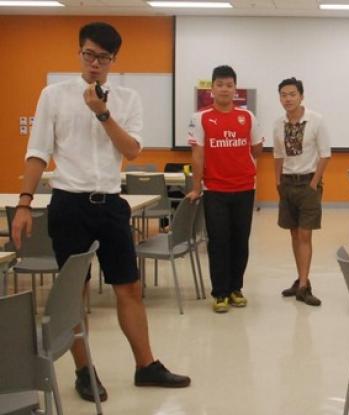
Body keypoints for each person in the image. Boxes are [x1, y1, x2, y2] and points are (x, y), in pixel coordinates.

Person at [12, 21, 190, 403]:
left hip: (110, 203)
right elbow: (38, 152)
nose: (95, 63)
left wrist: (102, 113)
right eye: (89, 54)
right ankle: (83, 371)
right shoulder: (53, 95)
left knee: (129, 286)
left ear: (113, 60)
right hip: (69, 203)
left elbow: (132, 151)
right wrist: (25, 203)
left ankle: (147, 365)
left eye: (103, 57)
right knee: (76, 291)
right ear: (79, 53)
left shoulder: (127, 99)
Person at [185, 65, 264, 313]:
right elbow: (197, 155)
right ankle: (220, 292)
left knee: (240, 241)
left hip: (244, 188)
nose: (224, 89)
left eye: (229, 85)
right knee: (218, 241)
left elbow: (256, 149)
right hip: (214, 189)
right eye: (220, 84)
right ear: (212, 88)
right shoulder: (200, 118)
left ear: (235, 88)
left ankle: (235, 289)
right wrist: (196, 187)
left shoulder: (248, 117)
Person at [273, 77, 331, 307]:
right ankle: (299, 280)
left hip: (308, 184)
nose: (288, 99)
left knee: (306, 235)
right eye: (283, 95)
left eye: (292, 94)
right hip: (287, 184)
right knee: (294, 234)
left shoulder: (316, 120)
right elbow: (277, 155)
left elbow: (325, 154)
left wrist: (314, 183)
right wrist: (278, 183)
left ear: (301, 96)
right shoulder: (278, 123)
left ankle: (305, 286)